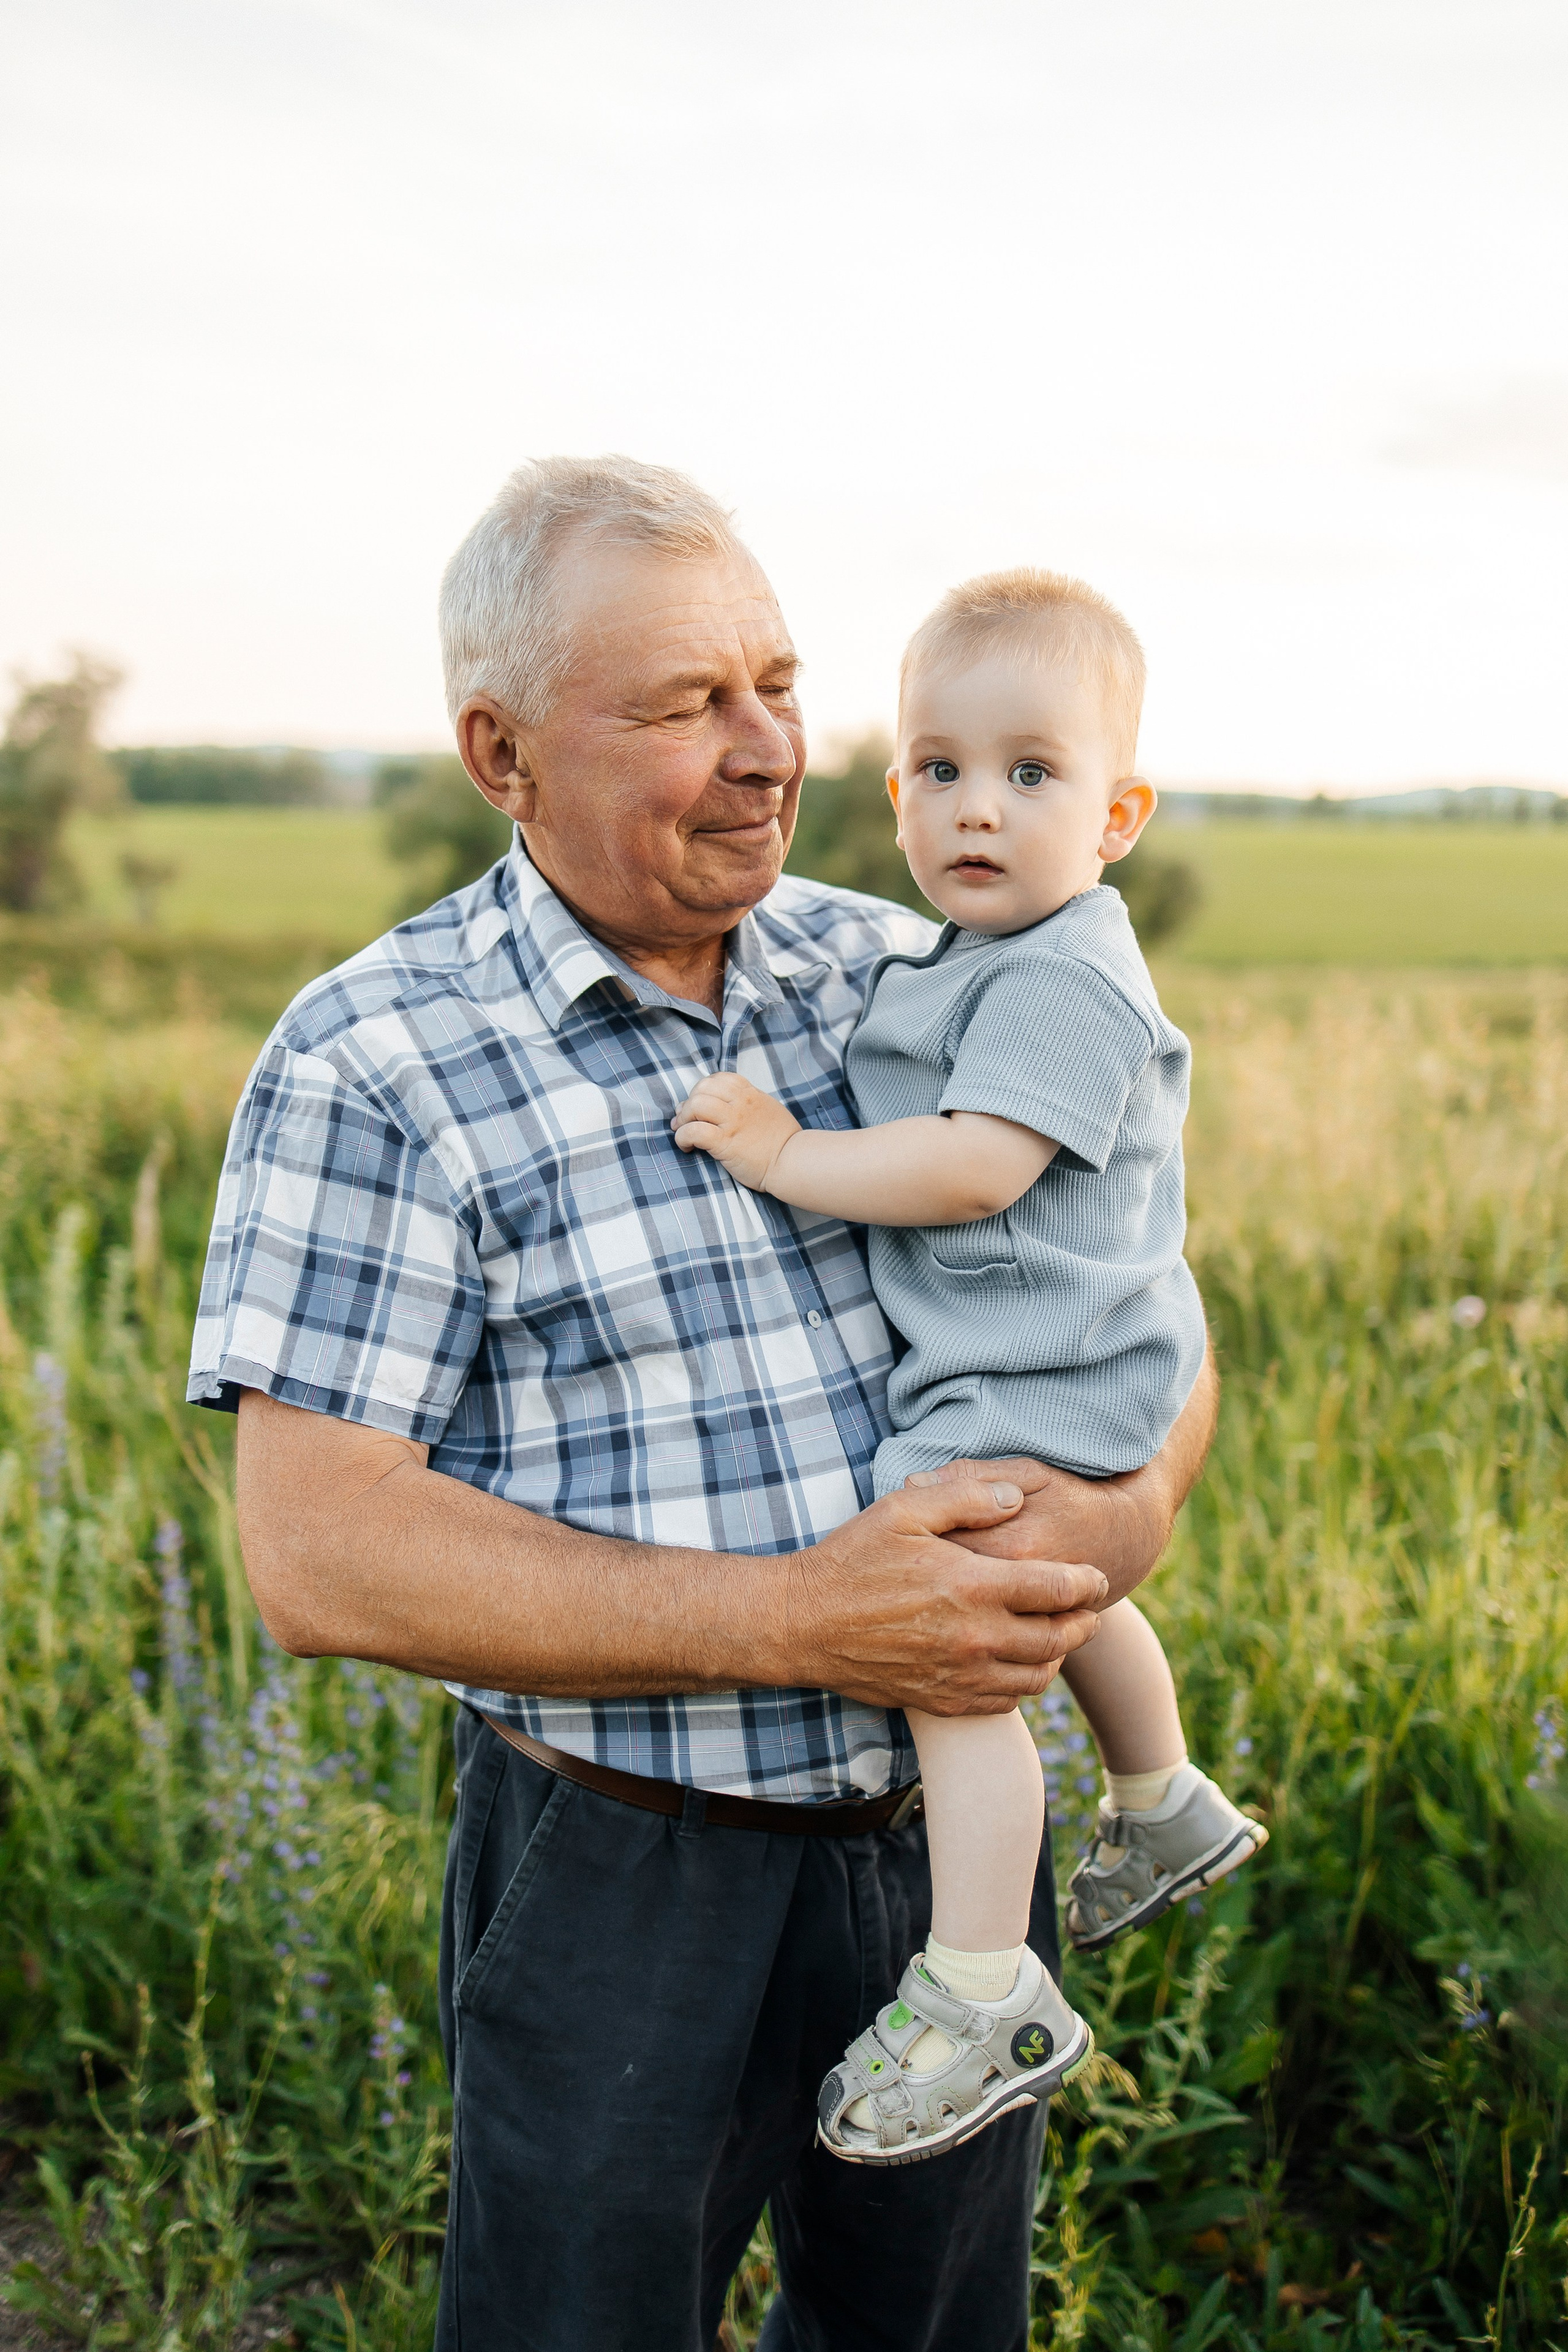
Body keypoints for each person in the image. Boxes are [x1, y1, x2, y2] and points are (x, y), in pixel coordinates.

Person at [190, 456, 1218, 2352]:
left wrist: (1115, 1521)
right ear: (501, 753)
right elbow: (316, 1555)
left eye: (777, 683)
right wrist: (805, 1622)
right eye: (684, 707)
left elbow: (1146, 1306)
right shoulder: (375, 1061)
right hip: (623, 1877)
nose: (768, 754)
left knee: (925, 2328)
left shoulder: (906, 964)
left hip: (940, 1865)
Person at [675, 568, 1264, 2166]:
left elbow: (973, 1169)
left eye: (1030, 772)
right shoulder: (964, 959)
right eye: (940, 770)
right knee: (1066, 1603)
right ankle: (1166, 1800)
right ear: (894, 792)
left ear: (1118, 812)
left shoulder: (1068, 975)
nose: (976, 810)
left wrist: (789, 1153)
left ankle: (986, 1983)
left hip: (1038, 1381)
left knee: (953, 1669)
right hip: (1043, 1370)